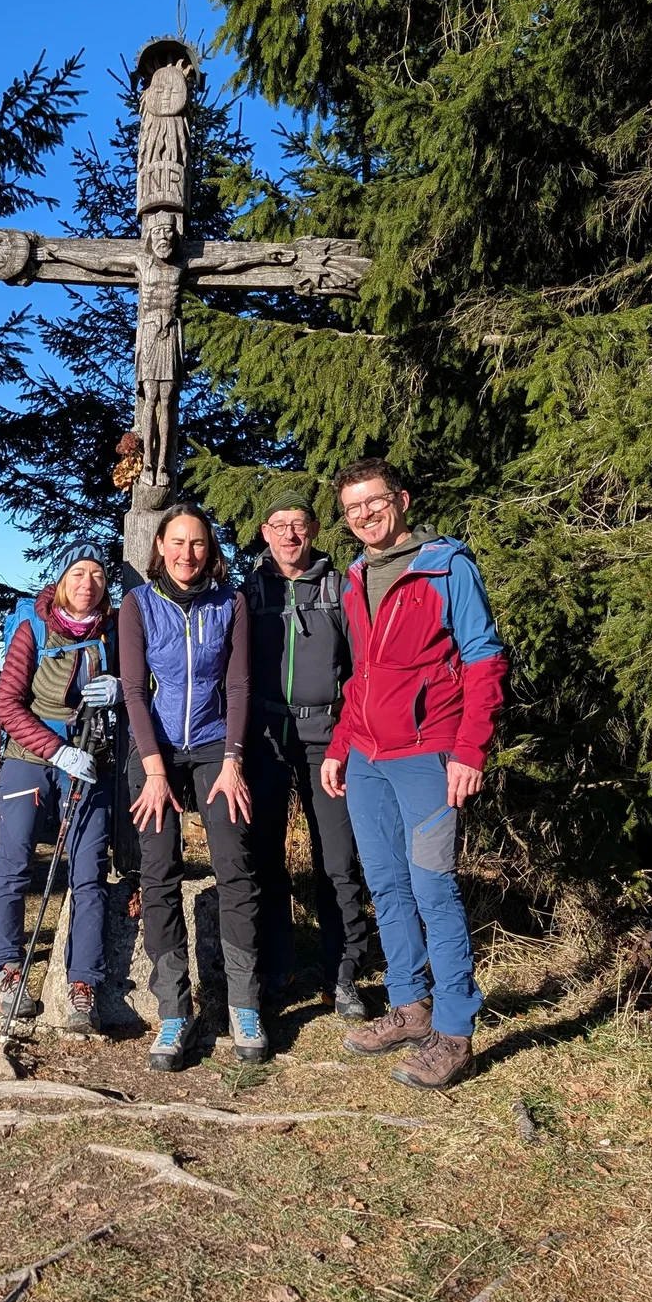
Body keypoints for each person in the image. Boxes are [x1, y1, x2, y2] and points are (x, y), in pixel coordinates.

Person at [321, 459, 507, 1088]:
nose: (364, 516)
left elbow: (483, 658)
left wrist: (470, 751)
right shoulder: (355, 579)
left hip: (430, 755)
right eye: (352, 509)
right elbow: (362, 675)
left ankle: (454, 1033)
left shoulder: (446, 566)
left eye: (373, 502)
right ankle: (409, 1007)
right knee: (389, 889)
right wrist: (340, 745)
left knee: (433, 891)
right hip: (368, 759)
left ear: (400, 500)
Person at [119, 504, 263, 1070]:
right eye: (177, 543)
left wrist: (234, 760)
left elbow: (241, 682)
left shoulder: (231, 602)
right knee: (158, 873)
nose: (187, 554)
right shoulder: (139, 604)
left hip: (213, 745)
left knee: (235, 865)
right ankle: (174, 1010)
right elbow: (133, 690)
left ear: (210, 549)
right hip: (154, 748)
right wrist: (154, 770)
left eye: (198, 543)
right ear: (159, 547)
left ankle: (244, 1005)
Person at [242, 488, 370, 1021]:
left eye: (299, 523)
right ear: (265, 533)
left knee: (337, 861)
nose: (290, 534)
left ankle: (344, 976)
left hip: (328, 739)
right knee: (266, 857)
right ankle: (277, 968)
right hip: (266, 738)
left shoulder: (339, 588)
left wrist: (350, 733)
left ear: (314, 530)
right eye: (279, 524)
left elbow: (362, 668)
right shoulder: (248, 593)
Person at [0, 542, 123, 1034]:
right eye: (78, 573)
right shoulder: (34, 626)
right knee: (14, 863)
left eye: (97, 575)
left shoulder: (113, 629)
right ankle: (6, 967)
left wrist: (123, 688)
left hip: (91, 760)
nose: (88, 583)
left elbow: (146, 680)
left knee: (88, 871)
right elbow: (8, 704)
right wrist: (56, 749)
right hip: (30, 758)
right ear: (62, 579)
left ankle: (83, 981)